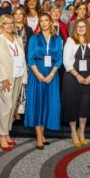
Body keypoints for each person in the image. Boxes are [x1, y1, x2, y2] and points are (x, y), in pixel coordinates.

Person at [25, 13, 62, 149]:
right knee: (38, 103)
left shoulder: (57, 38)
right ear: (39, 23)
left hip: (52, 73)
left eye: (46, 20)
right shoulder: (34, 38)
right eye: (41, 21)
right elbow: (30, 58)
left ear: (51, 22)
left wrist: (51, 74)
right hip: (37, 72)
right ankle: (39, 136)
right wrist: (38, 74)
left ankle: (43, 133)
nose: (44, 23)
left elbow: (59, 59)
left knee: (48, 103)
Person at [0, 14, 27, 151]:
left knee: (12, 108)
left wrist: (24, 78)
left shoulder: (18, 39)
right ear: (1, 25)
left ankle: (7, 134)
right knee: (6, 107)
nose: (10, 25)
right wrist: (3, 79)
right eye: (6, 23)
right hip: (5, 79)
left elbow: (22, 59)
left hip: (17, 76)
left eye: (11, 23)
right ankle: (1, 136)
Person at [62, 19, 90, 147]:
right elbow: (66, 61)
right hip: (72, 77)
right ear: (75, 28)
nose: (81, 28)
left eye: (83, 26)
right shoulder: (70, 41)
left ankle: (81, 132)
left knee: (85, 106)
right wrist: (77, 75)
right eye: (78, 26)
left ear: (87, 28)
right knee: (72, 105)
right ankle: (73, 132)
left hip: (88, 78)